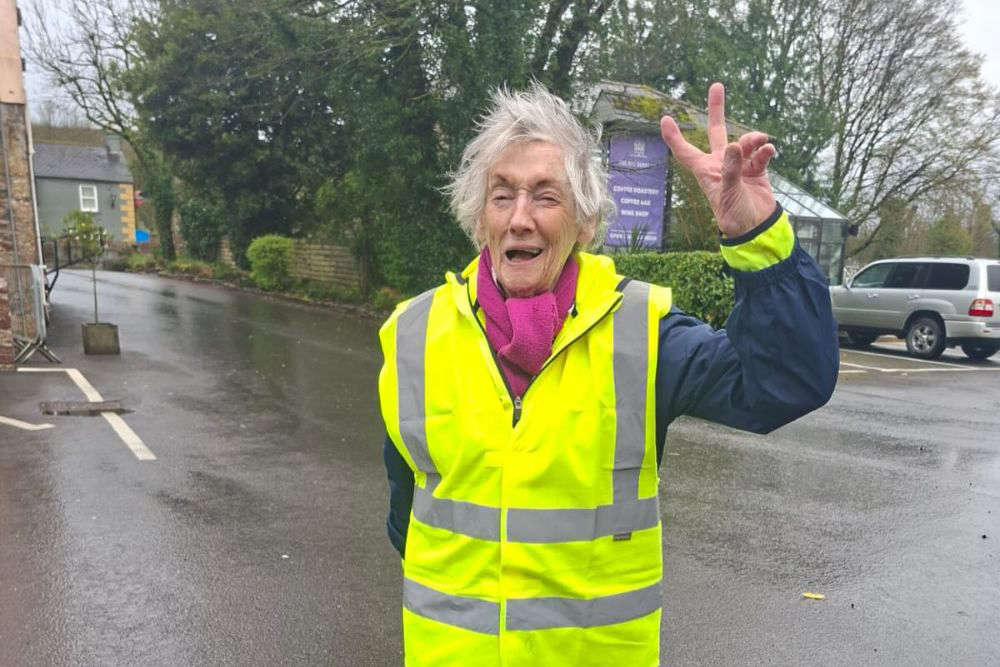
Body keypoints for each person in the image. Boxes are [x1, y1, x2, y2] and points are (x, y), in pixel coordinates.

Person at [378, 82, 838, 666]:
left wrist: (759, 240)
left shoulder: (642, 331)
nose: (520, 218)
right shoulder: (414, 334)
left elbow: (786, 382)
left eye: (546, 197)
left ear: (585, 221)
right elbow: (408, 517)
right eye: (502, 196)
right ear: (478, 219)